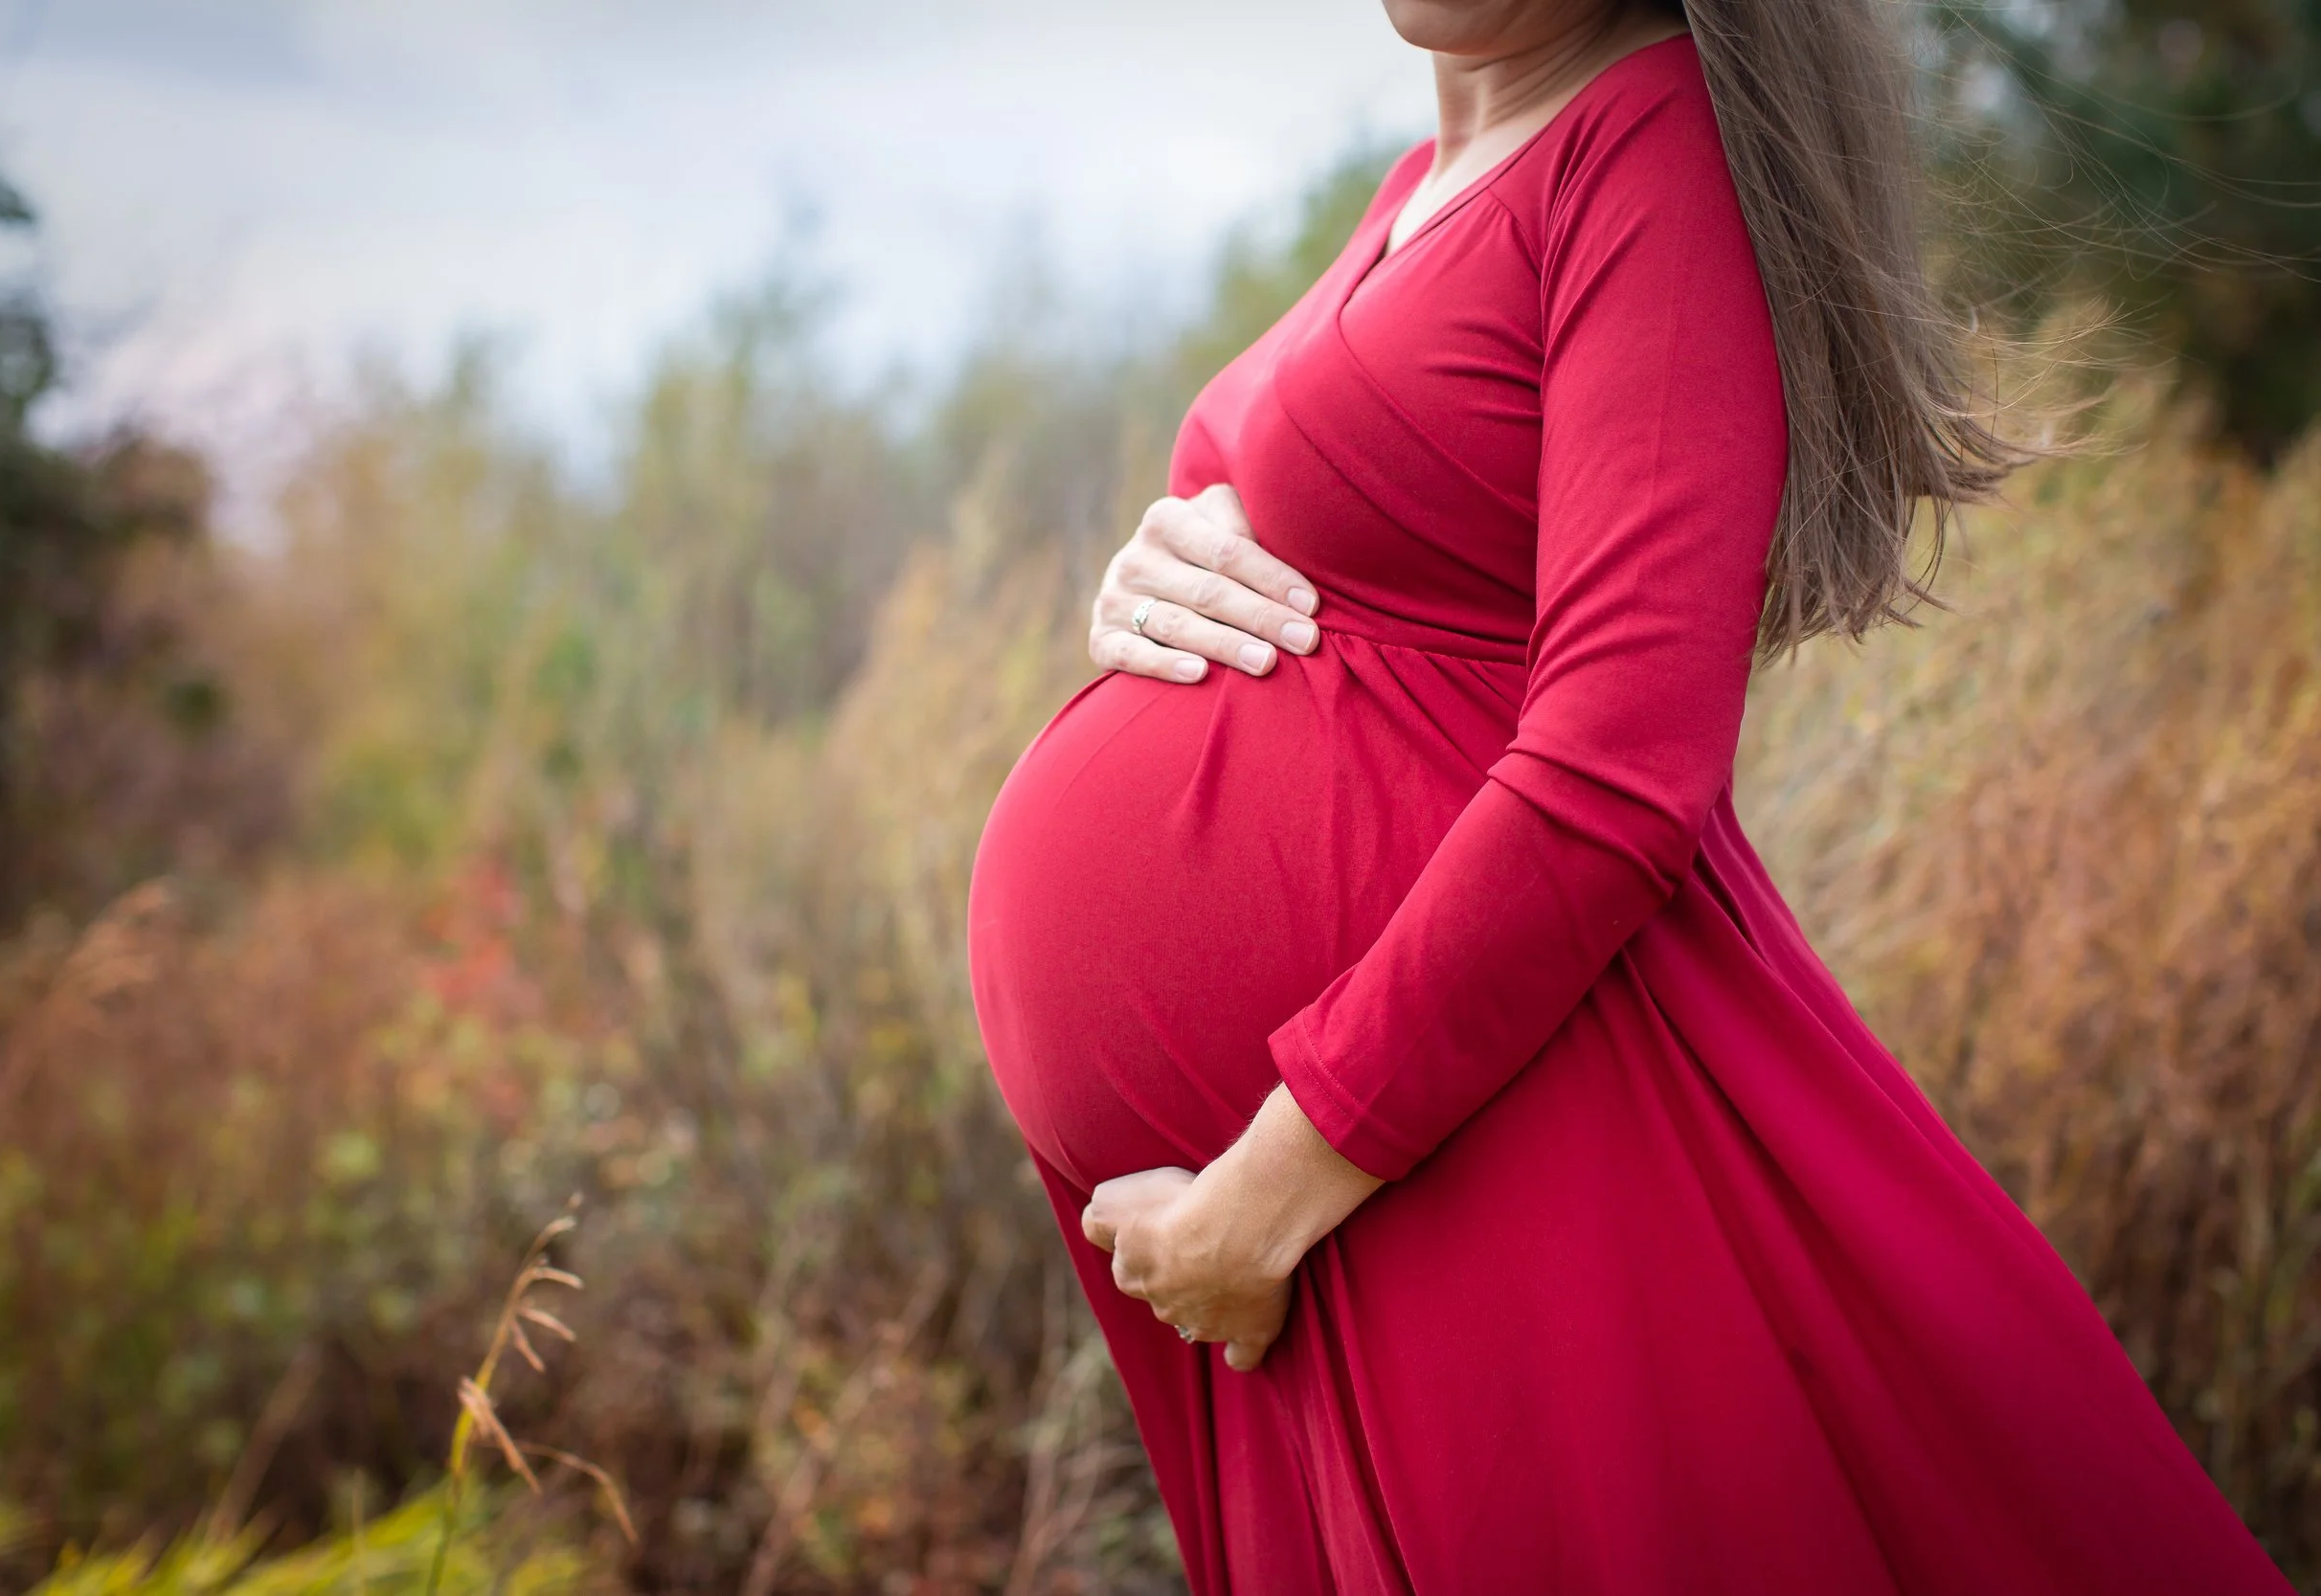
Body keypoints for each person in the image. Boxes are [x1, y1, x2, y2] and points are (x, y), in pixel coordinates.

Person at [964, 0, 2295, 1589]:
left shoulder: (1646, 136)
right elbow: (1353, 560)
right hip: (1366, 1190)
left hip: (1484, 1140)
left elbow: (1621, 761)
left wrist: (1268, 1190)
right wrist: (1149, 573)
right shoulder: (1419, 180)